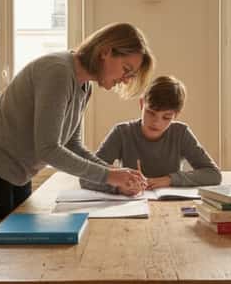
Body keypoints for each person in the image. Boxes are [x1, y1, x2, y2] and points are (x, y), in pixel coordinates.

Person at [0, 22, 154, 218]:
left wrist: (115, 173)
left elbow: (72, 144)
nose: (126, 79)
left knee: (16, 245)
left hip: (16, 174)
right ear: (106, 52)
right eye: (126, 69)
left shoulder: (84, 87)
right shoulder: (58, 72)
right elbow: (48, 149)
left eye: (131, 75)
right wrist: (110, 176)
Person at [80, 75, 221, 195]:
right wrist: (118, 187)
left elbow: (213, 174)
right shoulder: (122, 133)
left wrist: (170, 179)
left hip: (170, 206)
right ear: (142, 104)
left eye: (166, 117)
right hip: (130, 206)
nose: (156, 122)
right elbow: (86, 177)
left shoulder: (181, 133)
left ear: (176, 115)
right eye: (151, 112)